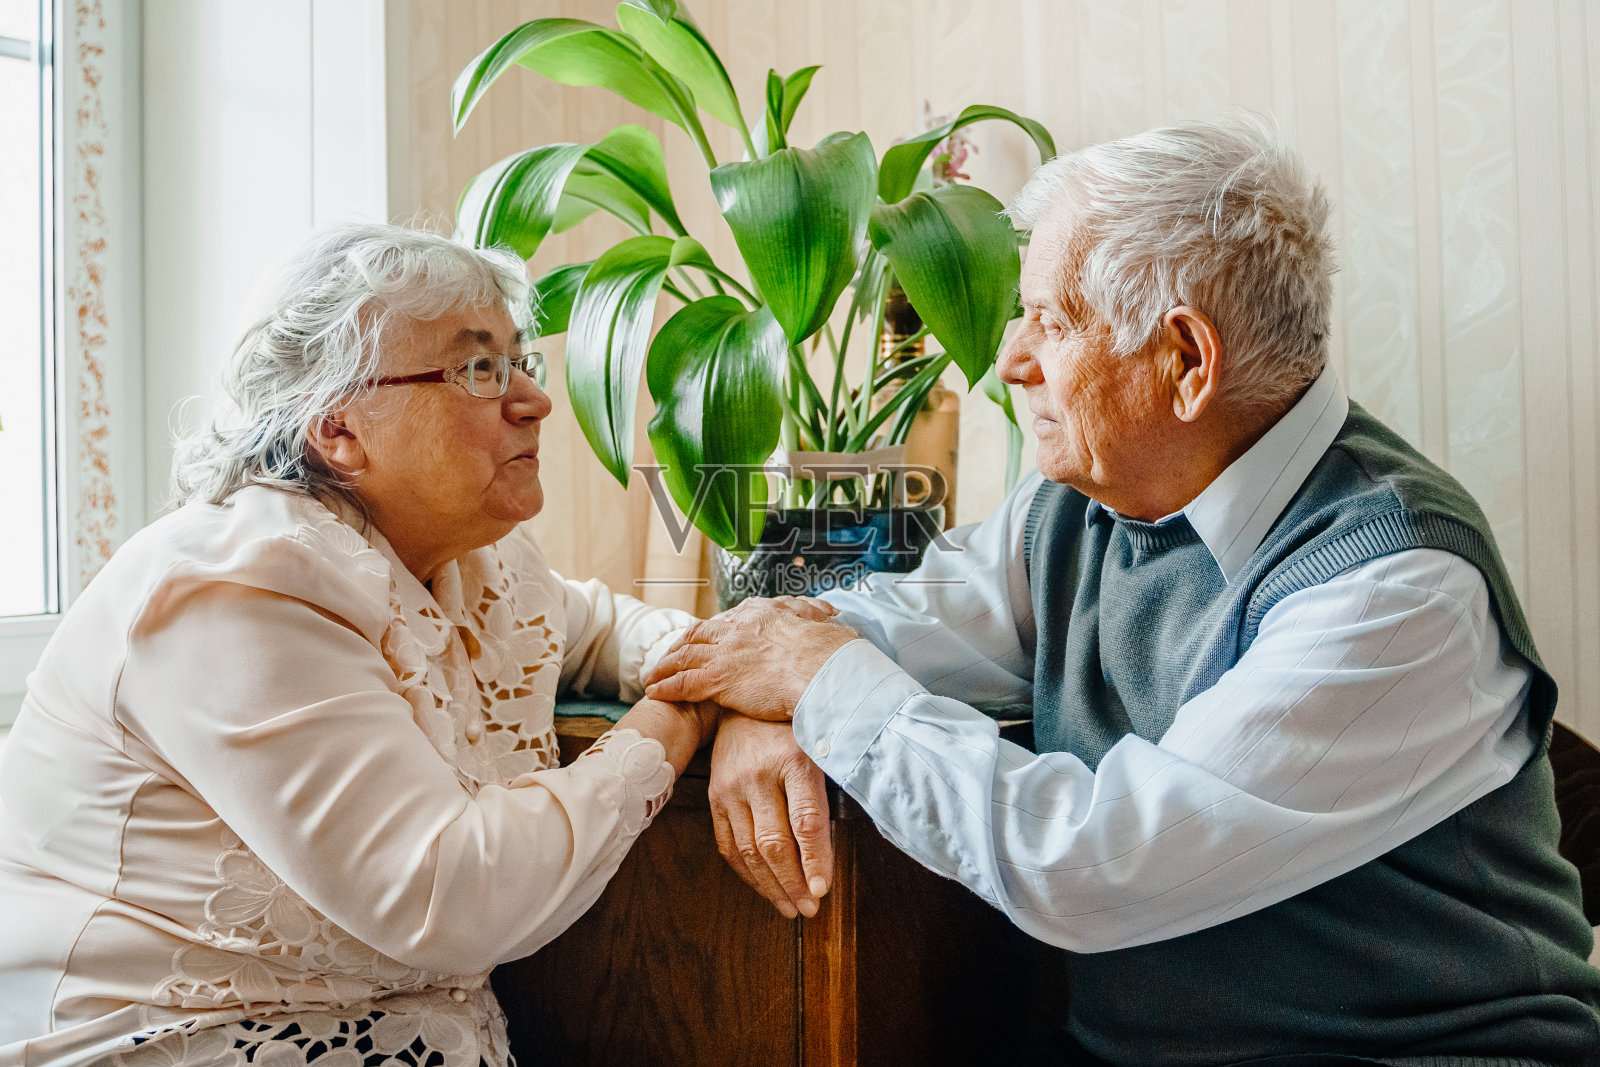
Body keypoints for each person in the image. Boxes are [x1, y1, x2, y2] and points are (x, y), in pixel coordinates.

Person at [648, 118, 1600, 1064]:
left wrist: (812, 683)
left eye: (1051, 321)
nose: (1010, 360)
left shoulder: (1398, 586)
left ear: (1186, 361)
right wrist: (765, 694)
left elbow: (1094, 864)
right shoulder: (1087, 501)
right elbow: (892, 621)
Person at [0, 224, 713, 1067]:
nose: (532, 399)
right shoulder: (236, 586)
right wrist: (681, 720)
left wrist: (741, 672)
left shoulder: (470, 560)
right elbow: (450, 890)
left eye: (520, 361)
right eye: (479, 368)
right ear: (338, 426)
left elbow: (606, 630)